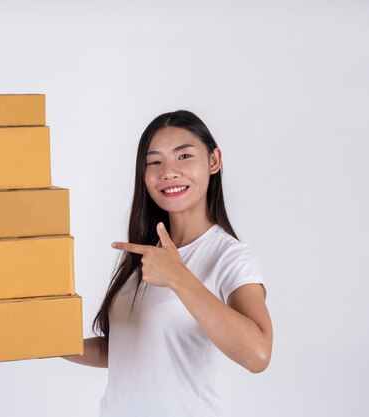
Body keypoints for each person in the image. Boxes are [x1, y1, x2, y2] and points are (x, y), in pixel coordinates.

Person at [62, 110, 273, 417]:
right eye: (155, 161)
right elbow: (124, 348)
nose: (168, 172)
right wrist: (47, 343)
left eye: (184, 156)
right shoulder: (148, 252)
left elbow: (258, 355)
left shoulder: (229, 256)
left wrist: (179, 277)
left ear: (214, 161)